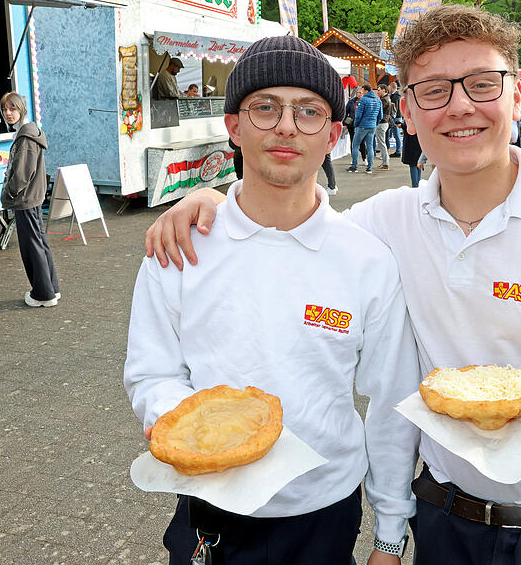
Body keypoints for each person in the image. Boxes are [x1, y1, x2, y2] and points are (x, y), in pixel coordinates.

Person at [145, 4, 521, 565]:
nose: (461, 106)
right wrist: (213, 206)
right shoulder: (383, 224)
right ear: (410, 112)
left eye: (482, 84)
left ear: (518, 96)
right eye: (434, 91)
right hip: (445, 522)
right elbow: (292, 233)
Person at [125, 35, 420, 565]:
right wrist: (190, 431)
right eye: (265, 107)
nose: (286, 126)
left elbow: (392, 403)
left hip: (324, 515)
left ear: (333, 135)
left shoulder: (366, 260)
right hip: (209, 513)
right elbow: (152, 374)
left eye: (309, 111)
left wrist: (390, 535)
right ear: (234, 125)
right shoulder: (180, 247)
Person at [0, 92, 60, 307]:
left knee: (32, 246)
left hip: (26, 199)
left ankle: (43, 294)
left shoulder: (25, 137)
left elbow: (22, 175)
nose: (8, 113)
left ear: (22, 109)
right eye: (5, 109)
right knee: (39, 242)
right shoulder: (29, 132)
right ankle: (51, 288)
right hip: (32, 197)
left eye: (13, 108)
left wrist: (10, 193)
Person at [348, 84, 382, 174]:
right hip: (372, 126)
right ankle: (369, 168)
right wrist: (375, 123)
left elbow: (358, 115)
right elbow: (380, 116)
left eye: (362, 91)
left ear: (366, 91)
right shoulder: (378, 101)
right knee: (370, 146)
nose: (361, 92)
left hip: (362, 126)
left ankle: (354, 167)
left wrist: (356, 124)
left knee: (355, 145)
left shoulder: (363, 100)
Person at [375, 84, 393, 170]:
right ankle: (385, 162)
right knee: (382, 144)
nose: (377, 92)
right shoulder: (385, 99)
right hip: (383, 123)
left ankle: (386, 163)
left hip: (382, 123)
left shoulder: (384, 100)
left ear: (384, 90)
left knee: (382, 144)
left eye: (379, 90)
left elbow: (378, 111)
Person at [388, 82, 403, 157]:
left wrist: (392, 117)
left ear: (392, 87)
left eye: (389, 87)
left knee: (396, 135)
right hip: (398, 116)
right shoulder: (397, 95)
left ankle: (398, 151)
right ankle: (398, 151)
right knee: (396, 135)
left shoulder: (395, 96)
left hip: (396, 117)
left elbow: (395, 108)